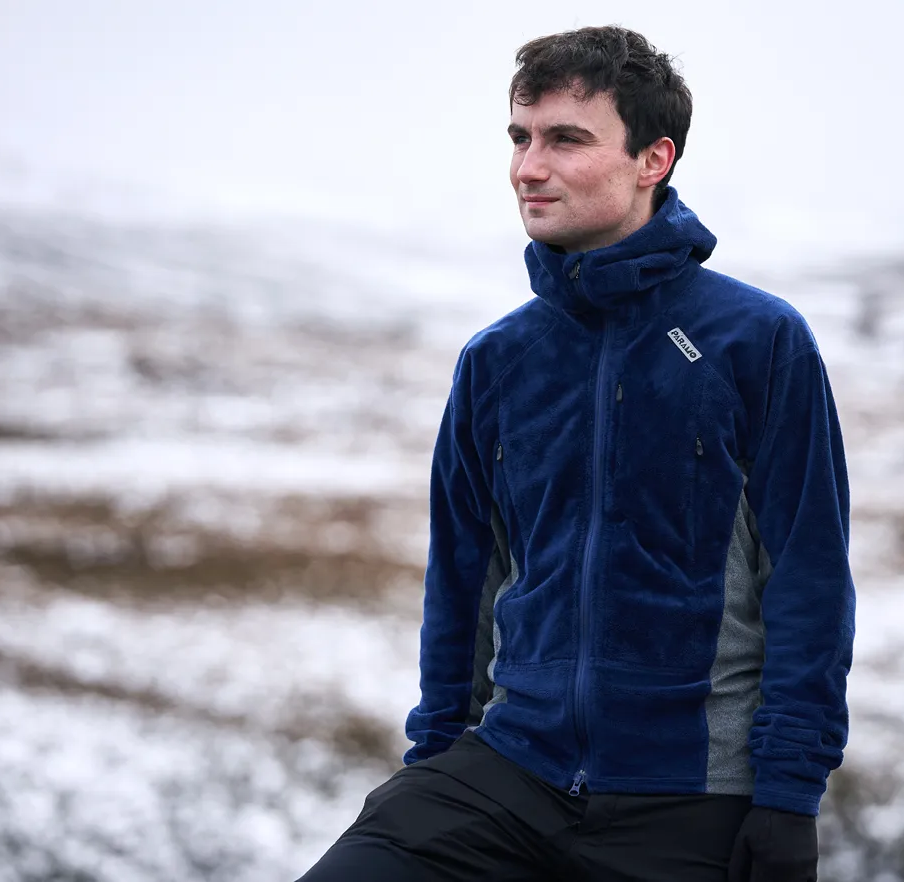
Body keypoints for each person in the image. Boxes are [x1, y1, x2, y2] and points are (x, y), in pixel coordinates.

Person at [299, 25, 854, 882]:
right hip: (512, 770)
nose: (529, 166)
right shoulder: (497, 360)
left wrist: (788, 796)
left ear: (652, 158)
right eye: (520, 138)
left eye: (566, 139)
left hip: (692, 793)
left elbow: (811, 581)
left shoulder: (757, 340)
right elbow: (464, 581)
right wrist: (438, 761)